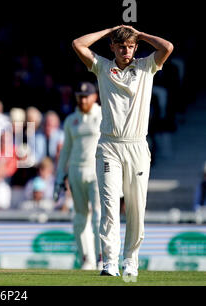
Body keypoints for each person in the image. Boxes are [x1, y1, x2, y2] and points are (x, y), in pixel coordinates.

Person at [72, 25, 173, 276]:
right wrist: (110, 31)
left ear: (135, 47)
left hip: (137, 145)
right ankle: (109, 262)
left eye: (130, 46)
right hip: (109, 145)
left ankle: (131, 260)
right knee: (109, 205)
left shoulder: (146, 66)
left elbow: (168, 47)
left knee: (136, 206)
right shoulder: (103, 67)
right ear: (113, 47)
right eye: (121, 46)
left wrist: (139, 34)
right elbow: (78, 44)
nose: (125, 51)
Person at [54, 81, 102, 270]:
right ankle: (87, 259)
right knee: (80, 216)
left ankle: (102, 258)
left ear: (94, 97)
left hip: (97, 169)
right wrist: (59, 176)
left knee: (99, 215)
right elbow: (66, 150)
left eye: (86, 96)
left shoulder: (103, 115)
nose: (82, 100)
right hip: (75, 170)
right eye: (79, 96)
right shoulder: (71, 120)